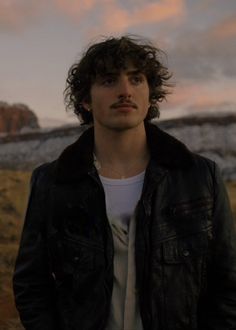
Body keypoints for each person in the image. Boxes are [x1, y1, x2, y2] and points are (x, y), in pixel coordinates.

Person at [13, 36, 236, 330]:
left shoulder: (200, 176)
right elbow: (32, 284)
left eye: (136, 79)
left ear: (150, 93)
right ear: (85, 100)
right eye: (108, 81)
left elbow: (228, 282)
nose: (125, 91)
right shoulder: (52, 182)